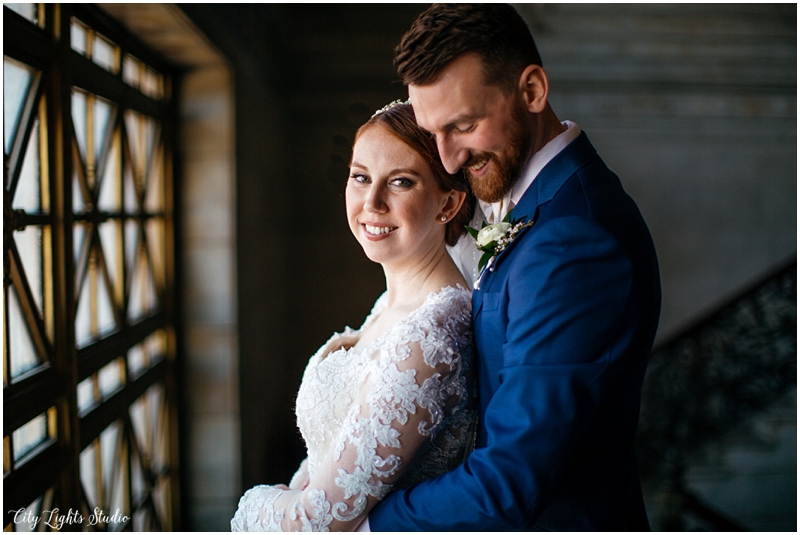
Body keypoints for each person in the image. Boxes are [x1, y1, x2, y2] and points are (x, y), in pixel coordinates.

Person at [364, 4, 662, 531]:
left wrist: (363, 523)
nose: (449, 159)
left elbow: (509, 481)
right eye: (434, 133)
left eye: (463, 126)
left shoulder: (574, 240)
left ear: (531, 91)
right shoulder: (536, 201)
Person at [231, 101, 478, 531]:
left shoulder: (432, 333)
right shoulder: (395, 301)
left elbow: (317, 521)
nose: (371, 202)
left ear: (449, 203)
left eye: (400, 182)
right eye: (360, 177)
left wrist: (250, 508)